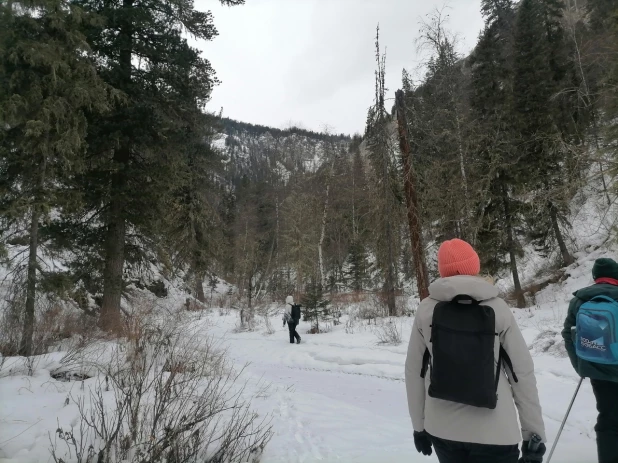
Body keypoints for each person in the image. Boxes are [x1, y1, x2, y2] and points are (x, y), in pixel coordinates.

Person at [405, 239, 546, 463]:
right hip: (496, 433)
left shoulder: (426, 309)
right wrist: (533, 434)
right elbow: (521, 374)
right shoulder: (498, 309)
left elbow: (415, 371)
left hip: (443, 430)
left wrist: (419, 427)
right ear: (474, 267)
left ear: (443, 271)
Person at [562, 257, 618, 463]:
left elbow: (568, 334)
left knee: (608, 417)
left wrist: (580, 365)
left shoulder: (580, 300)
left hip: (597, 368)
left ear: (595, 277)